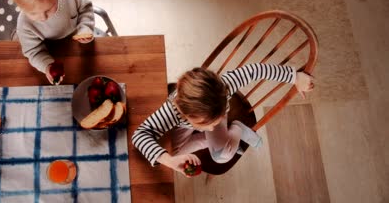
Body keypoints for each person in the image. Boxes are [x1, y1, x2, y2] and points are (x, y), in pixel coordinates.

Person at [132, 63, 314, 176]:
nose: (211, 128)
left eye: (215, 121)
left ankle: (237, 129)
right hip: (184, 124)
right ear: (184, 114)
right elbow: (139, 135)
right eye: (206, 124)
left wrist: (294, 76)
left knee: (222, 156)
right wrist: (169, 160)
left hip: (213, 111)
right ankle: (223, 132)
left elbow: (256, 70)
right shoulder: (171, 112)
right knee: (175, 153)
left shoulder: (225, 85)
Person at [5, 0, 95, 84]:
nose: (43, 17)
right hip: (50, 50)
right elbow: (33, 51)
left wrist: (85, 27)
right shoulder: (24, 25)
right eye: (33, 13)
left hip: (75, 44)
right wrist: (47, 65)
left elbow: (85, 9)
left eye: (48, 9)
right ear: (20, 6)